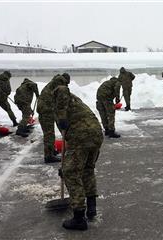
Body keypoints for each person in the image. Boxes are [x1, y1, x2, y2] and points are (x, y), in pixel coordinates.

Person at [53, 85, 103, 231]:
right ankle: (91, 208)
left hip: (81, 137)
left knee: (70, 173)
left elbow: (61, 89)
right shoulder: (76, 101)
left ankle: (79, 218)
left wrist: (61, 117)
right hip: (96, 135)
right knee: (87, 170)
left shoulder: (60, 96)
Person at [37, 73, 70, 163]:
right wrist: (63, 117)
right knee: (49, 133)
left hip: (47, 108)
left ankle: (51, 151)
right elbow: (61, 102)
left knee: (49, 132)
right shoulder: (60, 84)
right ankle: (48, 156)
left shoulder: (54, 83)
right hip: (46, 109)